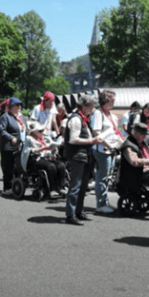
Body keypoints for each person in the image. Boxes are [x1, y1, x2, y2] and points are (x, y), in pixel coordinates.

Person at [64, 94, 104, 225]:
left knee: (83, 186)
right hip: (77, 156)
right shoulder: (76, 119)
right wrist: (92, 140)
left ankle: (78, 212)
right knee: (75, 185)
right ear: (84, 106)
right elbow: (73, 139)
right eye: (92, 107)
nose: (93, 110)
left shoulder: (83, 119)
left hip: (84, 155)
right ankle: (70, 215)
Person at [91, 90, 124, 214]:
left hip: (111, 149)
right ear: (105, 100)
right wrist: (108, 145)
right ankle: (101, 204)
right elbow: (96, 132)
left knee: (106, 177)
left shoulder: (111, 115)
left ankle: (104, 202)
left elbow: (115, 132)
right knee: (102, 176)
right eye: (112, 99)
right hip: (103, 149)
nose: (114, 101)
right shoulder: (98, 114)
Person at [24, 120, 66, 197]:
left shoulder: (45, 138)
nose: (42, 132)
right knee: (51, 166)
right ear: (33, 132)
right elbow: (27, 151)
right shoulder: (29, 139)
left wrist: (53, 150)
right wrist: (42, 149)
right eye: (40, 131)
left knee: (61, 165)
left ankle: (61, 187)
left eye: (42, 130)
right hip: (36, 159)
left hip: (48, 158)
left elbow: (51, 147)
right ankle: (53, 189)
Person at [0, 97, 26, 196]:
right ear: (10, 107)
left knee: (17, 167)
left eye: (19, 105)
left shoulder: (20, 118)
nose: (19, 107)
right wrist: (11, 138)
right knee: (8, 167)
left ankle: (16, 186)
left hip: (20, 146)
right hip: (7, 147)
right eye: (16, 106)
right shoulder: (5, 117)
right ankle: (7, 188)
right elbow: (2, 131)